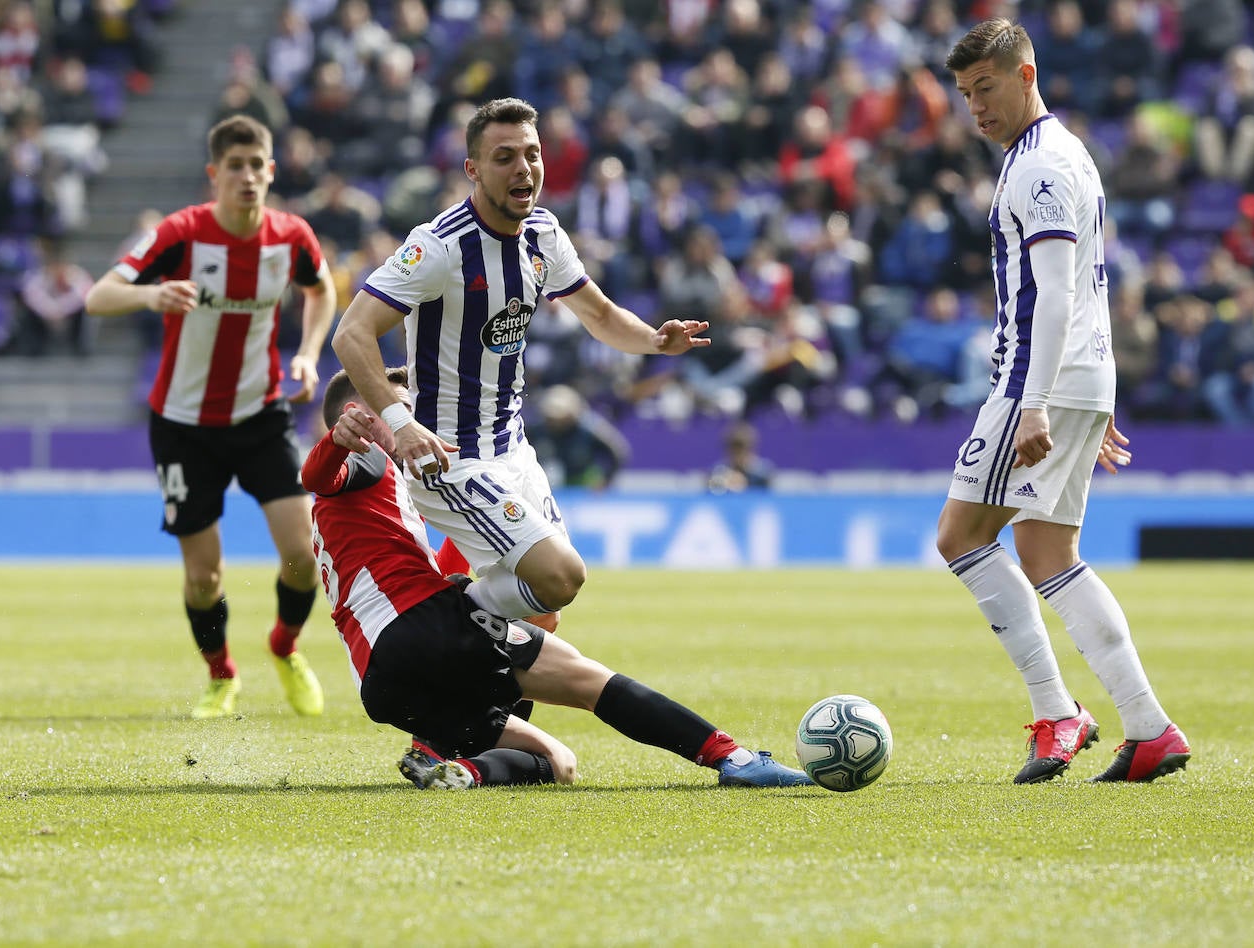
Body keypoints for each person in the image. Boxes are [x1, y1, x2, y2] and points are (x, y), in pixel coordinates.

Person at [304, 366, 812, 790]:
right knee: (588, 679)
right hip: (421, 631)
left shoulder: (364, 507)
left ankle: (456, 767)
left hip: (387, 686)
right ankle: (736, 761)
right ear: (357, 417)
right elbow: (319, 477)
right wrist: (335, 442)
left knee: (558, 763)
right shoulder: (363, 458)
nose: (410, 420)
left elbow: (427, 563)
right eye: (398, 409)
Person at [330, 97, 710, 632]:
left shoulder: (544, 235)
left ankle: (473, 696)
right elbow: (351, 332)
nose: (523, 168)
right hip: (450, 456)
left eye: (531, 154)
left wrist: (654, 340)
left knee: (542, 613)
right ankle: (430, 619)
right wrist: (400, 422)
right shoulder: (440, 247)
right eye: (504, 156)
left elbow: (598, 314)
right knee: (560, 574)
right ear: (473, 169)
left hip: (513, 448)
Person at [936, 19, 1190, 784]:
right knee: (1049, 553)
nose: (975, 107)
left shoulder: (1039, 167)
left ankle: (1058, 711)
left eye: (985, 88)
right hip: (1078, 375)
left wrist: (1041, 400)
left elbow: (1052, 293)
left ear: (1026, 74)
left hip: (1033, 383)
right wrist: (1093, 389)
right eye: (964, 94)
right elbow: (1086, 285)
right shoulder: (1060, 153)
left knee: (960, 538)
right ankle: (1147, 728)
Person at [84, 115, 338, 720]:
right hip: (182, 425)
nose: (248, 177)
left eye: (258, 166)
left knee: (303, 554)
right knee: (205, 575)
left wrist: (305, 354)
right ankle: (222, 674)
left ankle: (285, 646)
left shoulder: (291, 236)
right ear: (214, 175)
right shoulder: (181, 234)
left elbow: (322, 289)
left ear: (272, 171)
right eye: (235, 167)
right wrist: (151, 294)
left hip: (260, 415)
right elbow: (98, 296)